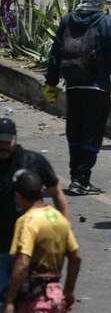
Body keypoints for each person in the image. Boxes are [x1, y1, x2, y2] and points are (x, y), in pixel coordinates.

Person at [44, 0, 111, 195]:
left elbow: (55, 53)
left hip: (73, 86)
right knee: (92, 134)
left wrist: (51, 83)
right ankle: (81, 179)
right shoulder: (107, 23)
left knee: (74, 131)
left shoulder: (67, 20)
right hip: (98, 88)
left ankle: (77, 175)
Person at [3, 171, 80, 313]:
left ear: (19, 196)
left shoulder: (27, 221)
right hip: (54, 295)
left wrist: (10, 300)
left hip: (34, 298)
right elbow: (75, 257)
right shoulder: (58, 218)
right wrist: (69, 292)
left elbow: (22, 264)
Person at [0, 120, 69, 297]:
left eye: (7, 141)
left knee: (30, 295)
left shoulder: (32, 161)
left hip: (29, 239)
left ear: (15, 139)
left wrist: (64, 230)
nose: (3, 146)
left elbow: (56, 193)